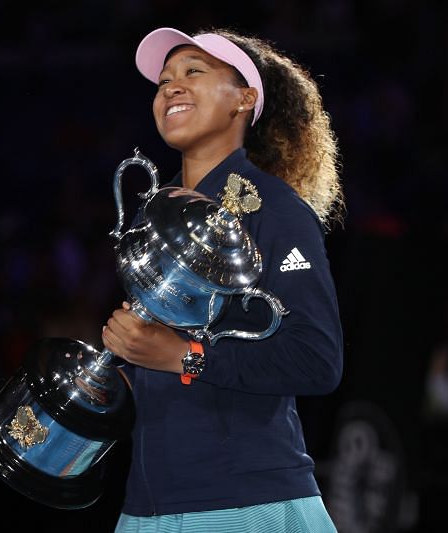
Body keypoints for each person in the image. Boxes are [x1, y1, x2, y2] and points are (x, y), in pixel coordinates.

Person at [101, 26, 345, 532]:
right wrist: (122, 374)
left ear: (244, 99)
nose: (171, 86)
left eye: (194, 71)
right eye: (164, 79)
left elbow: (317, 360)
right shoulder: (154, 211)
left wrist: (182, 357)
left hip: (242, 502)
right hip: (148, 504)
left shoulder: (274, 208)